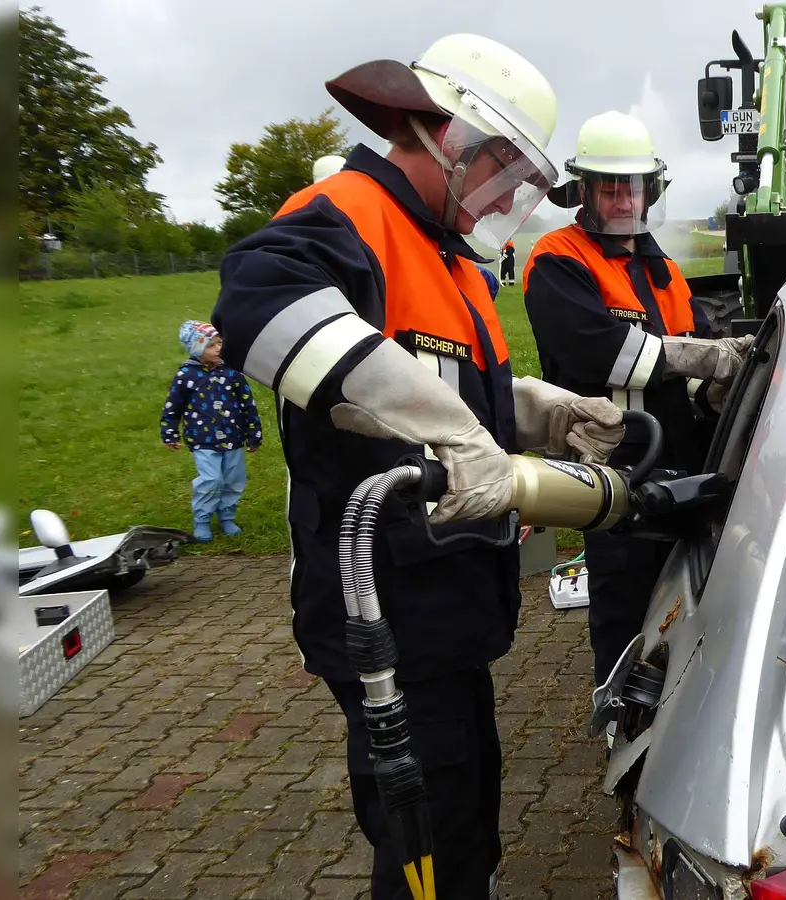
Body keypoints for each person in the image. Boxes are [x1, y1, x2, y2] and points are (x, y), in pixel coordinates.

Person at [211, 35, 625, 900]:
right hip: (383, 602)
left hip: (447, 607)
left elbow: (445, 388)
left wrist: (540, 410)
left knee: (466, 816)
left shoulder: (447, 255)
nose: (502, 202)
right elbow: (260, 303)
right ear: (452, 139)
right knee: (427, 849)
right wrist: (462, 442)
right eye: (504, 176)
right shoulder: (349, 213)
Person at [522, 110, 752, 686]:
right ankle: (620, 718)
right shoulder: (556, 261)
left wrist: (714, 390)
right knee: (623, 605)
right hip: (613, 466)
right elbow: (600, 353)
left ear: (652, 190)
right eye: (610, 186)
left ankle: (677, 705)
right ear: (583, 190)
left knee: (685, 594)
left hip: (682, 465)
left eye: (635, 186)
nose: (625, 200)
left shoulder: (663, 266)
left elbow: (689, 355)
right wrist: (705, 358)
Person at [159, 320, 262, 542]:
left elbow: (247, 403)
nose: (218, 348)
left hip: (233, 438)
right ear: (196, 349)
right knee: (211, 479)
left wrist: (253, 433)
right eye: (211, 345)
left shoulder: (232, 372)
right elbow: (173, 406)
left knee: (234, 480)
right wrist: (169, 432)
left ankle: (227, 517)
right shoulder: (186, 375)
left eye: (219, 343)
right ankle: (202, 520)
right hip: (203, 440)